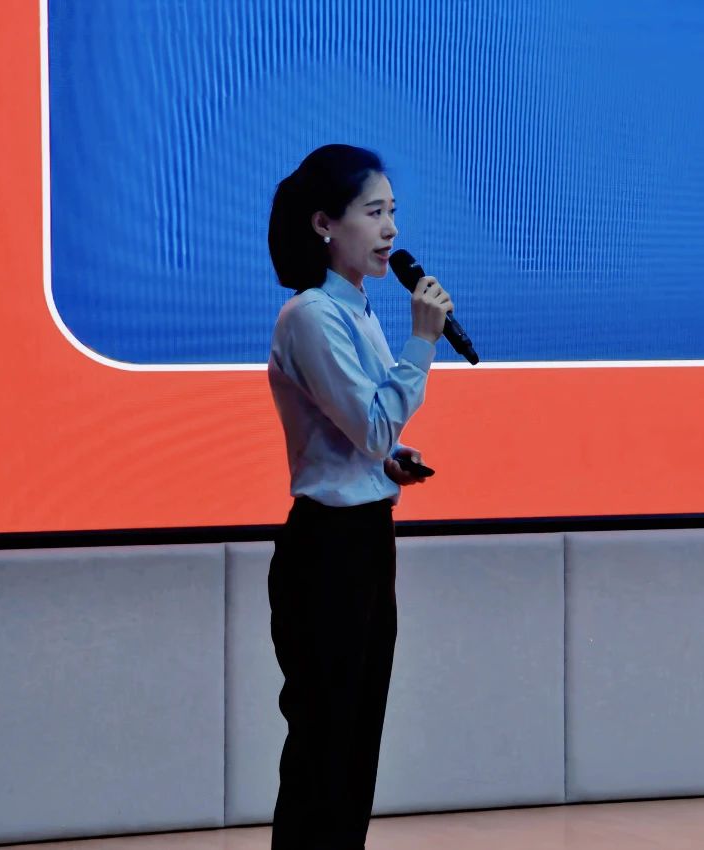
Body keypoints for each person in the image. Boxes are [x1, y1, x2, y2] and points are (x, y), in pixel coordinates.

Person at [265, 143, 453, 850]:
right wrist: (423, 342)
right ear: (324, 223)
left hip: (369, 541)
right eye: (373, 213)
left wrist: (390, 462)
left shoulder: (360, 311)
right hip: (327, 550)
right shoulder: (312, 316)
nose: (390, 230)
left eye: (392, 212)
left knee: (358, 737)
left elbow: (362, 436)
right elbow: (373, 424)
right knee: (325, 740)